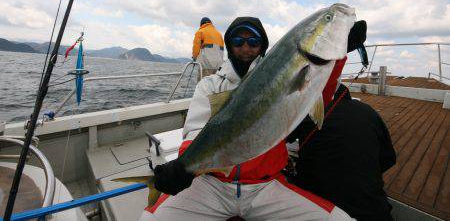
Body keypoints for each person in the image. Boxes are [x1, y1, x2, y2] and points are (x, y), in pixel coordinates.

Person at [141, 17, 354, 220]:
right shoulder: (210, 85)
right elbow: (196, 129)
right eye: (238, 41)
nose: (245, 48)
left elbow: (313, 95)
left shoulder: (284, 78)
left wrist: (338, 57)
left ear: (262, 46)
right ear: (229, 45)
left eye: (253, 42)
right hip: (212, 184)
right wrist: (183, 167)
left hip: (266, 186)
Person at [287, 20, 397, 221]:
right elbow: (388, 160)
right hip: (377, 214)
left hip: (318, 211)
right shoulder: (369, 114)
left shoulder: (302, 117)